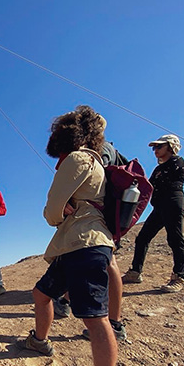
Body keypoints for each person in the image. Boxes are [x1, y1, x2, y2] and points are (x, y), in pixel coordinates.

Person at [16, 105, 124, 366]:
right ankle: (39, 341)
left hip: (84, 244)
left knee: (94, 318)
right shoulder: (95, 160)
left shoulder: (78, 158)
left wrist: (56, 213)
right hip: (76, 244)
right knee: (41, 294)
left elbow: (52, 209)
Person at [55, 140, 127, 342]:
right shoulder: (102, 149)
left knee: (109, 261)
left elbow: (97, 180)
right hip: (102, 215)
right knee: (104, 260)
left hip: (99, 217)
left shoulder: (100, 150)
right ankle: (66, 300)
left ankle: (114, 323)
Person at [122, 134, 184, 293]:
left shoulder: (177, 161)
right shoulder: (158, 168)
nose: (155, 150)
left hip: (173, 203)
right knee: (143, 237)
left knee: (174, 238)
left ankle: (180, 277)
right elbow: (148, 186)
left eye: (159, 146)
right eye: (154, 147)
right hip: (159, 206)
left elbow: (160, 182)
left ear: (171, 146)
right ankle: (135, 272)